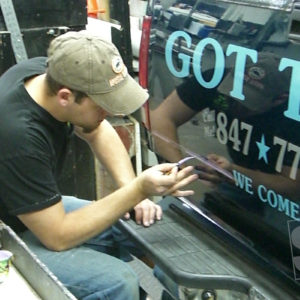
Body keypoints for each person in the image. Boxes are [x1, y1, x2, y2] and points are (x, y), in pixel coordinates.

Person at [0, 30, 198, 300]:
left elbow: (96, 130)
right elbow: (57, 236)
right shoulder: (19, 135)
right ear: (65, 97)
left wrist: (132, 193)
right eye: (102, 105)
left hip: (25, 207)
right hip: (8, 233)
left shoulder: (48, 73)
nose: (112, 113)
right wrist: (139, 190)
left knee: (140, 225)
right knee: (116, 282)